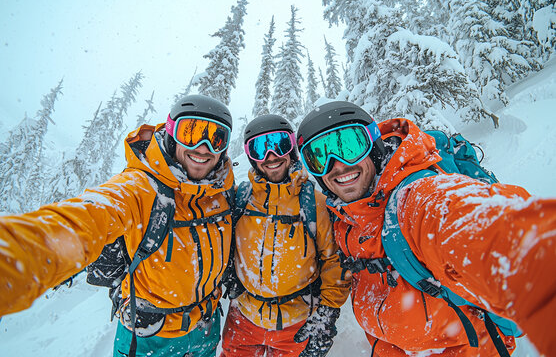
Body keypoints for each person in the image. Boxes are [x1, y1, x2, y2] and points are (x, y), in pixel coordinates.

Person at [296, 101, 556, 357]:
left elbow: (468, 221)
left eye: (350, 145)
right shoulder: (343, 218)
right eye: (319, 156)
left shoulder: (415, 198)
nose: (337, 165)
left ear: (373, 144)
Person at [0, 95, 236, 357]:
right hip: (149, 337)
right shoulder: (141, 187)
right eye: (191, 132)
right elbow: (87, 217)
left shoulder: (223, 195)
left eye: (216, 138)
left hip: (205, 332)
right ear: (171, 133)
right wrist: (17, 257)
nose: (203, 148)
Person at [220, 114, 351, 357]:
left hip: (297, 321)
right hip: (244, 317)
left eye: (280, 144)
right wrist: (229, 278)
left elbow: (334, 260)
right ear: (251, 156)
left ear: (292, 148)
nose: (271, 156)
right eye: (260, 148)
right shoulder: (241, 198)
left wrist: (328, 312)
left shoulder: (314, 202)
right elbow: (222, 243)